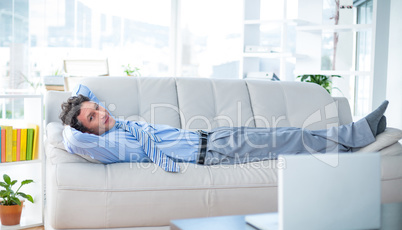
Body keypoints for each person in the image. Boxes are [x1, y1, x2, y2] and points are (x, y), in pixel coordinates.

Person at [60, 84, 388, 173]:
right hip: (215, 153)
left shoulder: (120, 125)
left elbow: (86, 88)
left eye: (98, 109)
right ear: (86, 132)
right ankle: (355, 135)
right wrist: (66, 117)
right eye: (91, 119)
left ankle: (350, 139)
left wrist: (80, 105)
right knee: (286, 138)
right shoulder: (110, 145)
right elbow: (72, 138)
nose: (100, 113)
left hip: (214, 137)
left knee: (285, 135)